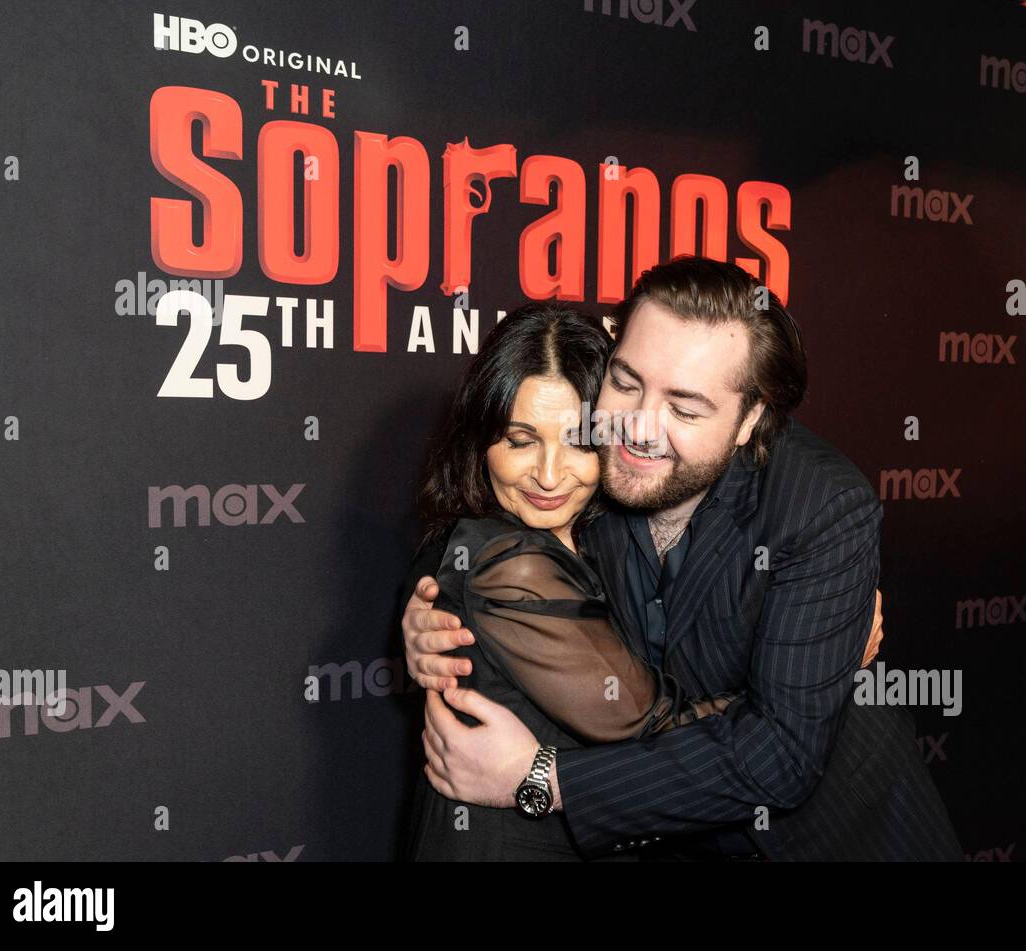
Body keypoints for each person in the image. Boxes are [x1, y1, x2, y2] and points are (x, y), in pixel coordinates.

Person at [403, 255, 962, 861]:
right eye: (626, 382)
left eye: (685, 409)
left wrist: (541, 778)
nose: (640, 427)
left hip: (830, 841)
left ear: (751, 418)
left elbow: (781, 755)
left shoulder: (820, 507)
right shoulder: (589, 479)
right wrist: (428, 617)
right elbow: (493, 535)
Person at [404, 302, 743, 860]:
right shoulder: (509, 561)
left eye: (580, 441)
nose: (549, 473)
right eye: (520, 440)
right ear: (481, 440)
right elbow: (653, 725)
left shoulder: (604, 532)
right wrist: (806, 673)